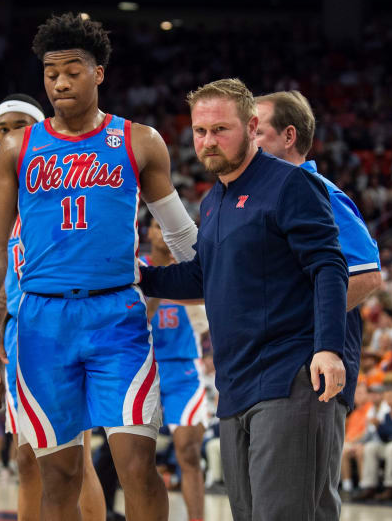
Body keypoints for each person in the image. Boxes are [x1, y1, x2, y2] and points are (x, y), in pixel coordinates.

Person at [0, 13, 198, 521]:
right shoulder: (17, 148)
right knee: (59, 477)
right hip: (42, 323)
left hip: (116, 317)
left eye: (73, 70)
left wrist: (216, 287)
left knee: (136, 465)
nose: (60, 82)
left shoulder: (140, 140)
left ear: (99, 73)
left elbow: (180, 234)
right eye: (51, 72)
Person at [139, 78, 349, 521]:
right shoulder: (214, 200)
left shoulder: (290, 184)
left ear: (252, 127)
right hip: (235, 384)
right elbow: (203, 275)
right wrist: (140, 277)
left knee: (285, 514)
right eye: (200, 132)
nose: (208, 141)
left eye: (221, 129)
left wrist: (328, 347)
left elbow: (330, 267)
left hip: (288, 377)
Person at [0, 93, 106, 519]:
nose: (13, 137)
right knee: (27, 458)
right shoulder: (2, 205)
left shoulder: (61, 187)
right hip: (19, 337)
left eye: (22, 127)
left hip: (64, 331)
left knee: (74, 456)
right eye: (5, 129)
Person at [254, 90, 382, 515]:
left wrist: (308, 324)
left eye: (258, 128)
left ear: (289, 136)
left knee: (309, 497)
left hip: (314, 361)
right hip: (274, 363)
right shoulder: (264, 196)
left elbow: (367, 274)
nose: (246, 136)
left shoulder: (319, 191)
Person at [143, 218, 208, 521]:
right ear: (149, 233)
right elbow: (140, 318)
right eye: (157, 225)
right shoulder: (136, 268)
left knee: (189, 452)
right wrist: (157, 280)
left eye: (167, 226)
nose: (163, 231)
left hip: (183, 369)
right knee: (139, 460)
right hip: (145, 369)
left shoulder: (191, 265)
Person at [357, 386, 392, 500]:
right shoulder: (387, 415)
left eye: (391, 397)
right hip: (390, 444)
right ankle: (369, 486)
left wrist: (384, 429)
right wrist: (378, 427)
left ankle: (390, 486)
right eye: (387, 398)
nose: (389, 400)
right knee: (371, 447)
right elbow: (384, 437)